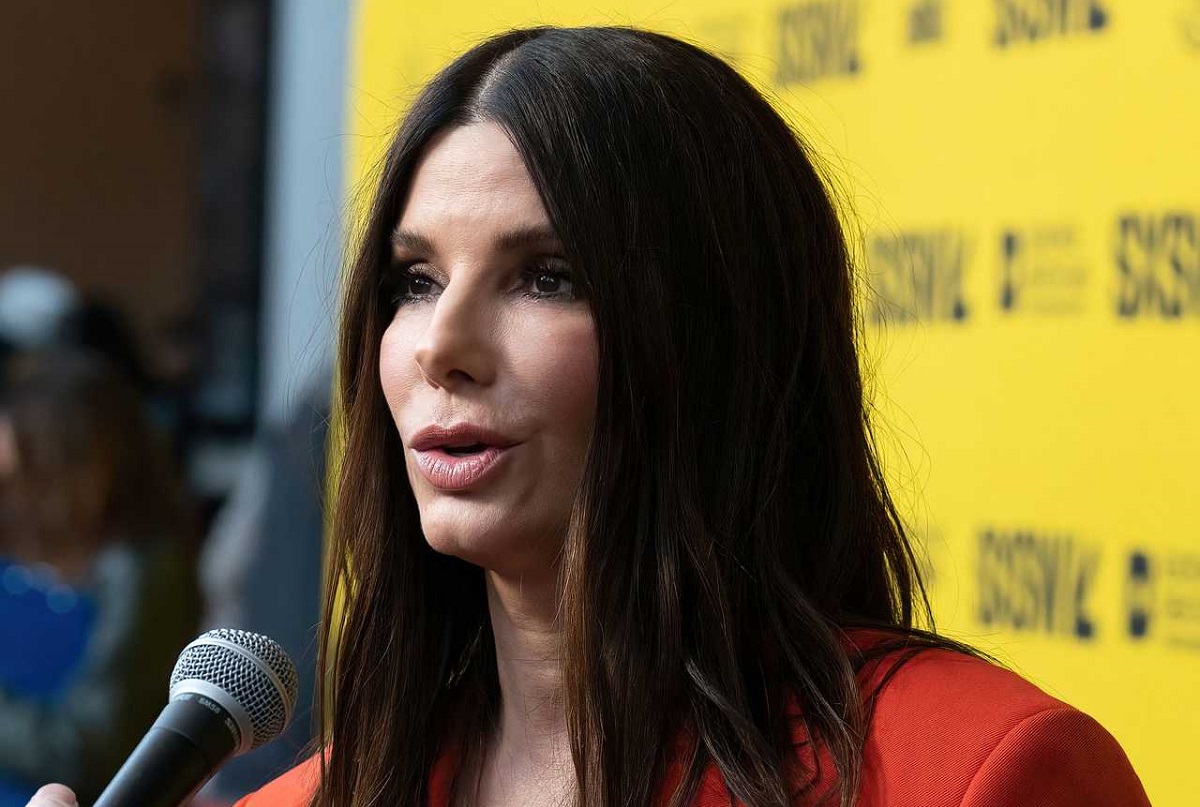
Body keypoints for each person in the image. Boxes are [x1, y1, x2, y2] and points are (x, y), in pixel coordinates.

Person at [26, 26, 1149, 807]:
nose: (441, 345)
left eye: (547, 275)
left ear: (715, 336)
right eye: (415, 280)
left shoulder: (984, 773)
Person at [0, 350, 200, 805]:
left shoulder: (141, 571)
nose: (14, 496)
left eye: (26, 475)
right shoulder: (21, 539)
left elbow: (90, 748)